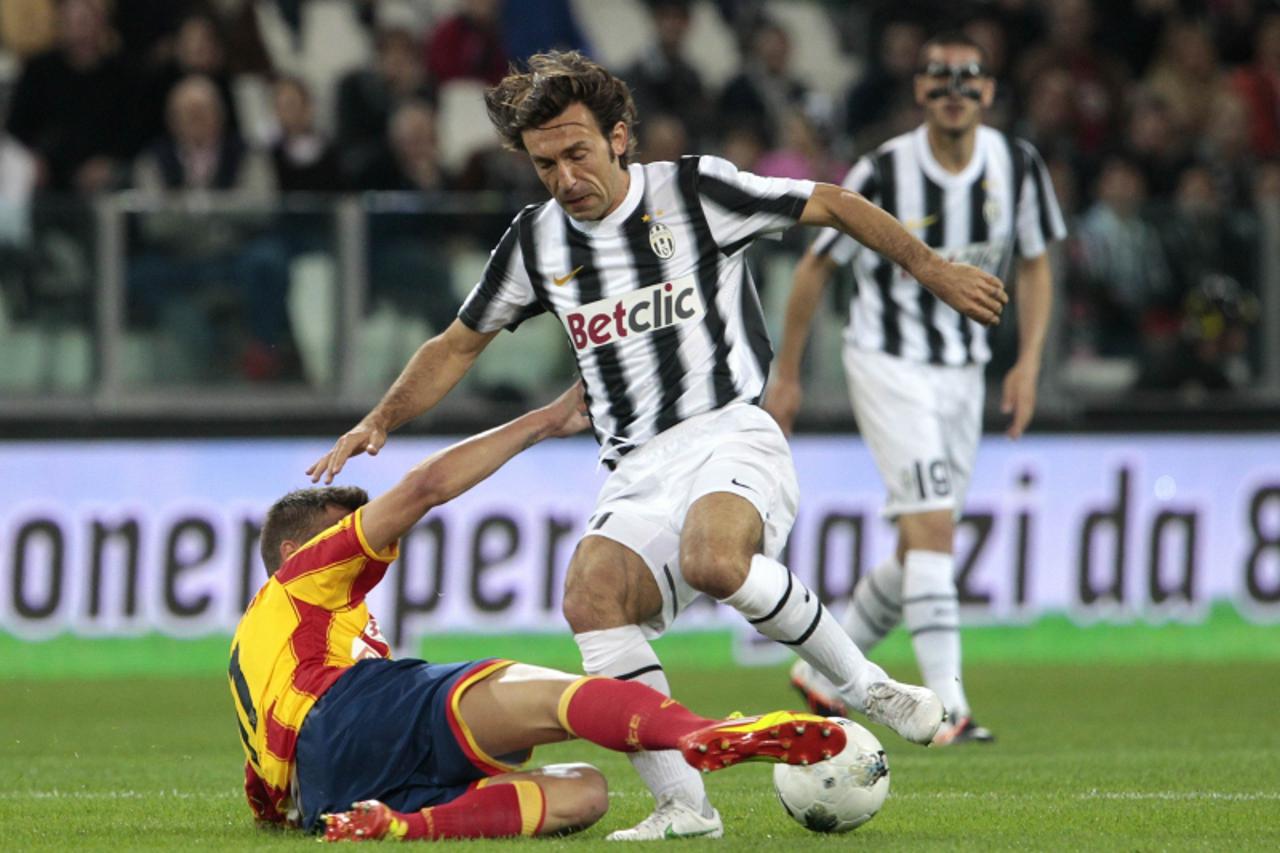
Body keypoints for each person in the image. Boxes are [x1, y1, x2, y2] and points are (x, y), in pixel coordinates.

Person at [308, 50, 1006, 840]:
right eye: (546, 164)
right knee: (591, 596)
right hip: (634, 465)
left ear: (620, 137)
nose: (566, 177)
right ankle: (685, 806)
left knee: (716, 558)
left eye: (578, 153)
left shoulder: (694, 190)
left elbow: (834, 202)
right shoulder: (537, 242)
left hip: (730, 429)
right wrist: (382, 418)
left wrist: (934, 270)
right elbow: (457, 344)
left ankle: (867, 684)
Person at [232, 383, 846, 841]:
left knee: (584, 791)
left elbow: (265, 796)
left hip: (329, 790)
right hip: (350, 709)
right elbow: (424, 489)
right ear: (292, 551)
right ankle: (697, 731)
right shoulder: (300, 578)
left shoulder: (259, 649)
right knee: (553, 698)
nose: (363, 541)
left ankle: (401, 827)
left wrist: (286, 812)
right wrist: (545, 422)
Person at [766, 31, 1066, 746]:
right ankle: (949, 707)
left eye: (969, 77)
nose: (954, 90)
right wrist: (788, 375)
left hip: (965, 368)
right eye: (938, 77)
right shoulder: (884, 170)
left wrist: (1026, 362)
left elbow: (1035, 263)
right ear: (918, 91)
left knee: (921, 544)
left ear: (990, 91)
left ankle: (823, 676)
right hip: (888, 358)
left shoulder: (1018, 165)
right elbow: (814, 268)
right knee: (932, 524)